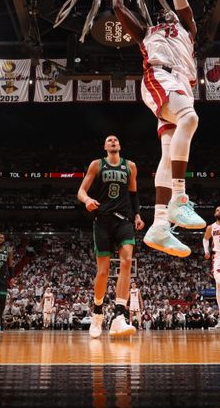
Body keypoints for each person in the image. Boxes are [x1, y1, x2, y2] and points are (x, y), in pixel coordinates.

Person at [112, 0, 205, 258]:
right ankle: (179, 196)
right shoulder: (146, 34)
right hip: (160, 78)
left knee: (167, 154)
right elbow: (118, 8)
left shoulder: (188, 30)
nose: (166, 14)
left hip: (182, 86)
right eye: (163, 15)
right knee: (189, 120)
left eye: (171, 13)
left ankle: (159, 225)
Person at [77, 134, 143, 338]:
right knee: (103, 271)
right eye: (109, 140)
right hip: (103, 220)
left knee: (127, 261)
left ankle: (118, 317)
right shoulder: (97, 165)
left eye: (116, 139)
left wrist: (138, 215)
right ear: (105, 146)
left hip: (124, 220)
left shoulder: (130, 166)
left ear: (120, 145)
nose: (113, 141)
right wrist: (87, 200)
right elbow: (81, 191)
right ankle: (97, 314)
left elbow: (133, 195)